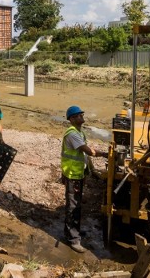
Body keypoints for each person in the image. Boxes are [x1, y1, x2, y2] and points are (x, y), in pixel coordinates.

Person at [61, 105, 107, 253]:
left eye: (82, 115)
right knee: (73, 207)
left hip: (78, 174)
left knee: (77, 205)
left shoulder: (79, 132)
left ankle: (74, 233)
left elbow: (85, 156)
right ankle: (73, 240)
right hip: (72, 175)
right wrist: (106, 154)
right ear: (72, 119)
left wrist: (92, 170)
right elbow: (88, 151)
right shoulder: (72, 134)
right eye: (79, 115)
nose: (82, 117)